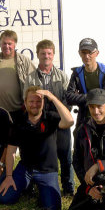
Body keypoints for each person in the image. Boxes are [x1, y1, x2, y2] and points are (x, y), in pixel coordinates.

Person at [0, 86, 74, 210]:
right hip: (25, 169)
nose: (35, 105)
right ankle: (29, 185)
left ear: (43, 103)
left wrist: (52, 96)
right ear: (25, 102)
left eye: (38, 101)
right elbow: (11, 151)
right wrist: (9, 176)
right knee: (5, 198)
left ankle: (38, 188)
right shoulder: (18, 121)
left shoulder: (51, 117)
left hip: (47, 171)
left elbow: (70, 121)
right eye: (31, 101)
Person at [24, 39, 75, 196]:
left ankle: (68, 188)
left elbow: (68, 101)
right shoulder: (30, 78)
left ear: (53, 55)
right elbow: (26, 99)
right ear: (38, 55)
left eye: (49, 53)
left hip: (58, 122)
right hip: (40, 123)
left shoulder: (62, 77)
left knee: (65, 156)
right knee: (37, 155)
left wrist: (60, 115)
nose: (46, 56)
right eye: (43, 53)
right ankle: (33, 185)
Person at [0, 30, 36, 123]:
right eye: (4, 43)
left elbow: (34, 84)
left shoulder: (24, 61)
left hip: (19, 111)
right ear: (0, 44)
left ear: (15, 44)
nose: (7, 46)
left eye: (9, 43)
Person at [66, 38, 105, 127]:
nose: (86, 56)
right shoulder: (77, 73)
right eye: (84, 52)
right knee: (78, 137)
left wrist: (80, 97)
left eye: (90, 52)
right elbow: (69, 98)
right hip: (84, 119)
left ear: (97, 53)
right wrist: (96, 96)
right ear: (79, 53)